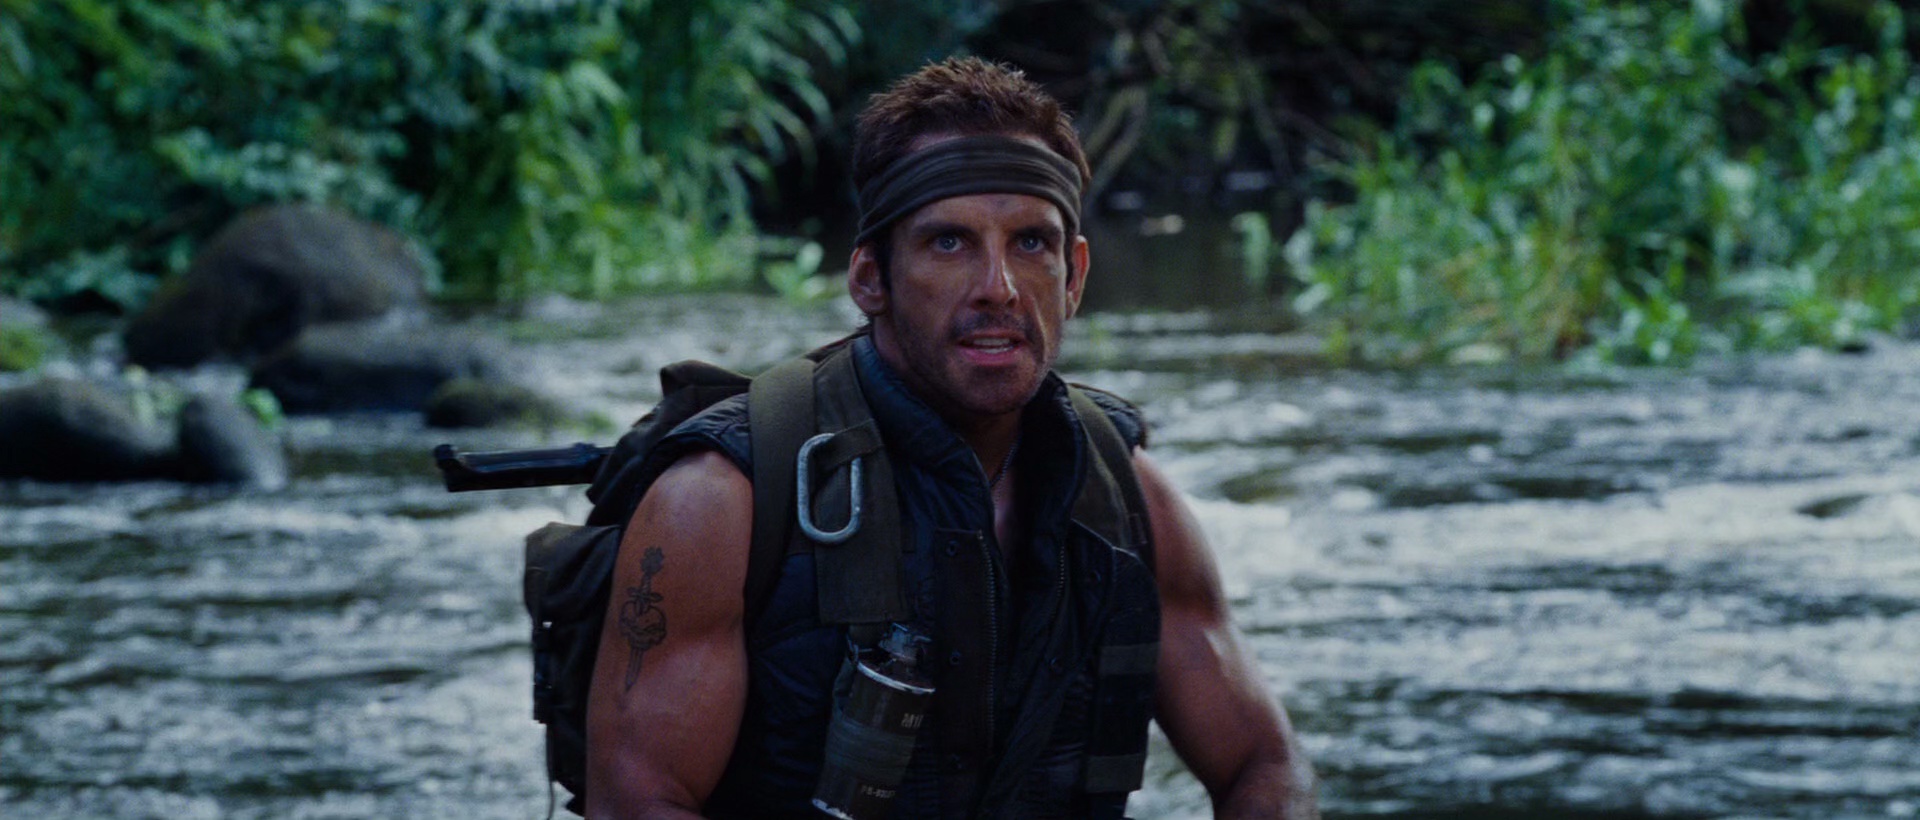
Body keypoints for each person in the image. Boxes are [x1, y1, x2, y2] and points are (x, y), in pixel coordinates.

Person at [583, 57, 1319, 819]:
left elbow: (1265, 765)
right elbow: (635, 803)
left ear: (1073, 276)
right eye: (948, 243)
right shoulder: (720, 505)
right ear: (870, 278)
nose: (999, 287)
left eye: (1030, 243)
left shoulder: (1128, 498)